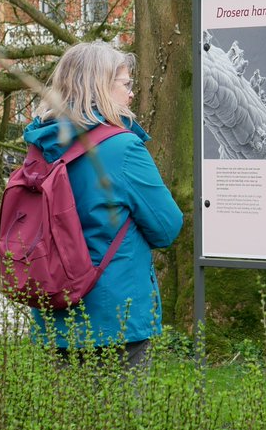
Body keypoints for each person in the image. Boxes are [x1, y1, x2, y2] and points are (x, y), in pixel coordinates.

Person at [24, 41, 183, 368]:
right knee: (119, 417)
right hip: (115, 316)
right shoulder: (123, 148)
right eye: (126, 84)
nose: (131, 94)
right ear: (101, 86)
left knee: (66, 416)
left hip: (54, 308)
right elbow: (167, 226)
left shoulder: (39, 145)